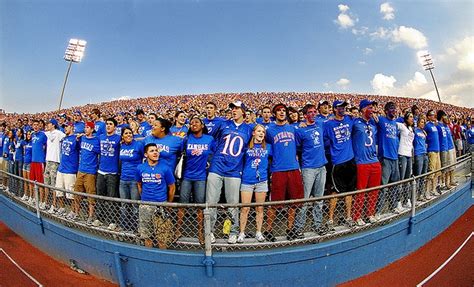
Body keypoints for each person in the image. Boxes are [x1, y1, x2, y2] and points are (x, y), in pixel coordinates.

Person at [207, 101, 252, 244]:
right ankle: (210, 231)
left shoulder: (249, 128)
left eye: (237, 108)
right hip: (217, 167)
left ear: (243, 112)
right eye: (232, 108)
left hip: (234, 170)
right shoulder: (222, 124)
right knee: (211, 202)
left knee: (232, 203)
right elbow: (208, 137)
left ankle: (233, 231)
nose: (233, 110)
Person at [264, 103, 304, 241]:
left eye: (283, 110)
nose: (281, 112)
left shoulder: (293, 128)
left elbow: (300, 144)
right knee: (275, 203)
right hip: (278, 169)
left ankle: (290, 229)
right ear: (274, 114)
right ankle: (268, 230)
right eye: (278, 111)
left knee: (294, 202)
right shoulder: (269, 130)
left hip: (293, 167)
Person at [176, 117, 215, 244]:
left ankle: (200, 232)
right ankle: (178, 230)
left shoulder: (209, 139)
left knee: (200, 206)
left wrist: (208, 164)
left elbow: (213, 154)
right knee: (183, 204)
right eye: (191, 123)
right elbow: (180, 153)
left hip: (201, 177)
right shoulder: (186, 139)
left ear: (202, 125)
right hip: (187, 176)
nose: (193, 124)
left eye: (196, 122)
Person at [294, 104, 328, 237]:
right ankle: (298, 228)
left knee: (319, 199)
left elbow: (331, 119)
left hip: (321, 166)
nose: (313, 114)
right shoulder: (300, 130)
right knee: (305, 199)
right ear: (305, 115)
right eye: (310, 112)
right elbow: (296, 149)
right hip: (308, 168)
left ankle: (317, 225)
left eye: (315, 112)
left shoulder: (320, 123)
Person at [324, 100, 357, 228]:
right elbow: (322, 138)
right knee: (335, 192)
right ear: (334, 109)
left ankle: (348, 217)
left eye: (343, 107)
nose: (342, 109)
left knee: (349, 190)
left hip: (350, 160)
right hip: (337, 162)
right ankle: (330, 219)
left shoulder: (350, 119)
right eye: (339, 107)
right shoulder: (328, 124)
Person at [136, 143, 176, 248]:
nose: (155, 153)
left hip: (161, 206)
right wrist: (144, 197)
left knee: (162, 239)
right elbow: (139, 184)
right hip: (145, 205)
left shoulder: (165, 168)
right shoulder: (140, 168)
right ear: (146, 154)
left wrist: (168, 203)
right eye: (152, 151)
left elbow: (172, 187)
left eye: (156, 150)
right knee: (147, 237)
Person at [238, 124, 271, 243]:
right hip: (247, 180)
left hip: (261, 181)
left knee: (260, 208)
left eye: (263, 131)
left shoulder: (268, 147)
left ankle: (258, 232)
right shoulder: (246, 147)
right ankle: (241, 232)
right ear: (253, 133)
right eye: (259, 131)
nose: (261, 133)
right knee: (245, 208)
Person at [351, 99, 381, 226]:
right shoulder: (355, 123)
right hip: (362, 162)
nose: (372, 110)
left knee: (374, 191)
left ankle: (370, 214)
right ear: (363, 109)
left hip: (374, 160)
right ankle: (356, 216)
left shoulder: (374, 124)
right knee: (361, 191)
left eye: (372, 107)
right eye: (369, 107)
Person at [69, 122, 100, 222]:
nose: (85, 129)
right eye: (85, 127)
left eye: (87, 127)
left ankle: (90, 216)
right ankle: (77, 213)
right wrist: (78, 139)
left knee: (90, 194)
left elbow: (100, 153)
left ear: (92, 129)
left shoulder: (96, 140)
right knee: (77, 193)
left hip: (90, 171)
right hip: (80, 170)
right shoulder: (82, 138)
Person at [375, 101, 402, 218]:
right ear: (386, 111)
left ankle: (393, 206)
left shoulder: (395, 124)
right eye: (391, 108)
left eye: (395, 108)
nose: (394, 110)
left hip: (395, 157)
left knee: (395, 185)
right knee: (383, 186)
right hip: (385, 157)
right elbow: (372, 117)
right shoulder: (381, 120)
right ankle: (378, 211)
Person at [95, 118, 122, 229]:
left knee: (112, 198)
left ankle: (112, 221)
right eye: (107, 124)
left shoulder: (118, 138)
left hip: (112, 172)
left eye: (111, 124)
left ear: (115, 127)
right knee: (100, 196)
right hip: (101, 171)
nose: (108, 126)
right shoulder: (100, 137)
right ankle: (99, 218)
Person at [119, 127, 144, 231]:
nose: (129, 135)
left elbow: (144, 157)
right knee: (124, 205)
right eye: (126, 133)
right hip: (123, 179)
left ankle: (135, 227)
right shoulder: (122, 146)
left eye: (130, 133)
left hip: (134, 180)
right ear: (122, 136)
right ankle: (124, 226)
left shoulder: (138, 145)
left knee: (134, 206)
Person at [53, 122, 80, 216]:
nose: (65, 129)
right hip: (61, 168)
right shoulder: (64, 138)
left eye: (67, 127)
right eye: (64, 127)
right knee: (59, 191)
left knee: (71, 194)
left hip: (70, 169)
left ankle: (73, 211)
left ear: (71, 127)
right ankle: (62, 208)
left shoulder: (76, 139)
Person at [44, 119, 66, 212]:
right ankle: (46, 202)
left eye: (48, 124)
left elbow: (66, 137)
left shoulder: (58, 133)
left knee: (54, 184)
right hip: (48, 160)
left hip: (55, 161)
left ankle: (54, 204)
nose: (47, 125)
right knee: (46, 183)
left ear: (53, 125)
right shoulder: (47, 133)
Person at [397, 111, 415, 209]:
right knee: (401, 179)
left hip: (409, 155)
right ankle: (398, 201)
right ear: (406, 118)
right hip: (402, 154)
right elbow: (393, 123)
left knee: (407, 179)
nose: (412, 119)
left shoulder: (411, 129)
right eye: (410, 117)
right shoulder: (402, 126)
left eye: (413, 117)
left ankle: (406, 199)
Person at [30, 119, 47, 207]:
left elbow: (46, 146)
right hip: (33, 161)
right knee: (33, 182)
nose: (35, 126)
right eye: (34, 125)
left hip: (40, 161)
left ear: (39, 126)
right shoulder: (32, 135)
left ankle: (42, 201)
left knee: (40, 183)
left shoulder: (43, 135)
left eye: (37, 124)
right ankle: (34, 198)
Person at [424, 110, 442, 197]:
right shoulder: (427, 126)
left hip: (437, 150)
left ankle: (433, 189)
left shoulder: (434, 125)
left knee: (437, 171)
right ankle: (427, 191)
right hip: (431, 150)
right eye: (432, 115)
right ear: (428, 116)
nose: (434, 116)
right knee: (431, 171)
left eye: (434, 115)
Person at [413, 116, 429, 200]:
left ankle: (421, 195)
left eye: (424, 122)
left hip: (424, 153)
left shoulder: (424, 132)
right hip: (418, 154)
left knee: (424, 175)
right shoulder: (414, 130)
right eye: (422, 122)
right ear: (418, 122)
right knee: (418, 175)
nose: (423, 124)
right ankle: (414, 196)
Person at [21, 131, 33, 202]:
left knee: (30, 181)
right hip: (24, 162)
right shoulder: (25, 142)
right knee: (25, 181)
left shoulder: (33, 143)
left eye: (30, 134)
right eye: (27, 134)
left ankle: (31, 196)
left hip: (30, 163)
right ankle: (26, 194)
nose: (28, 135)